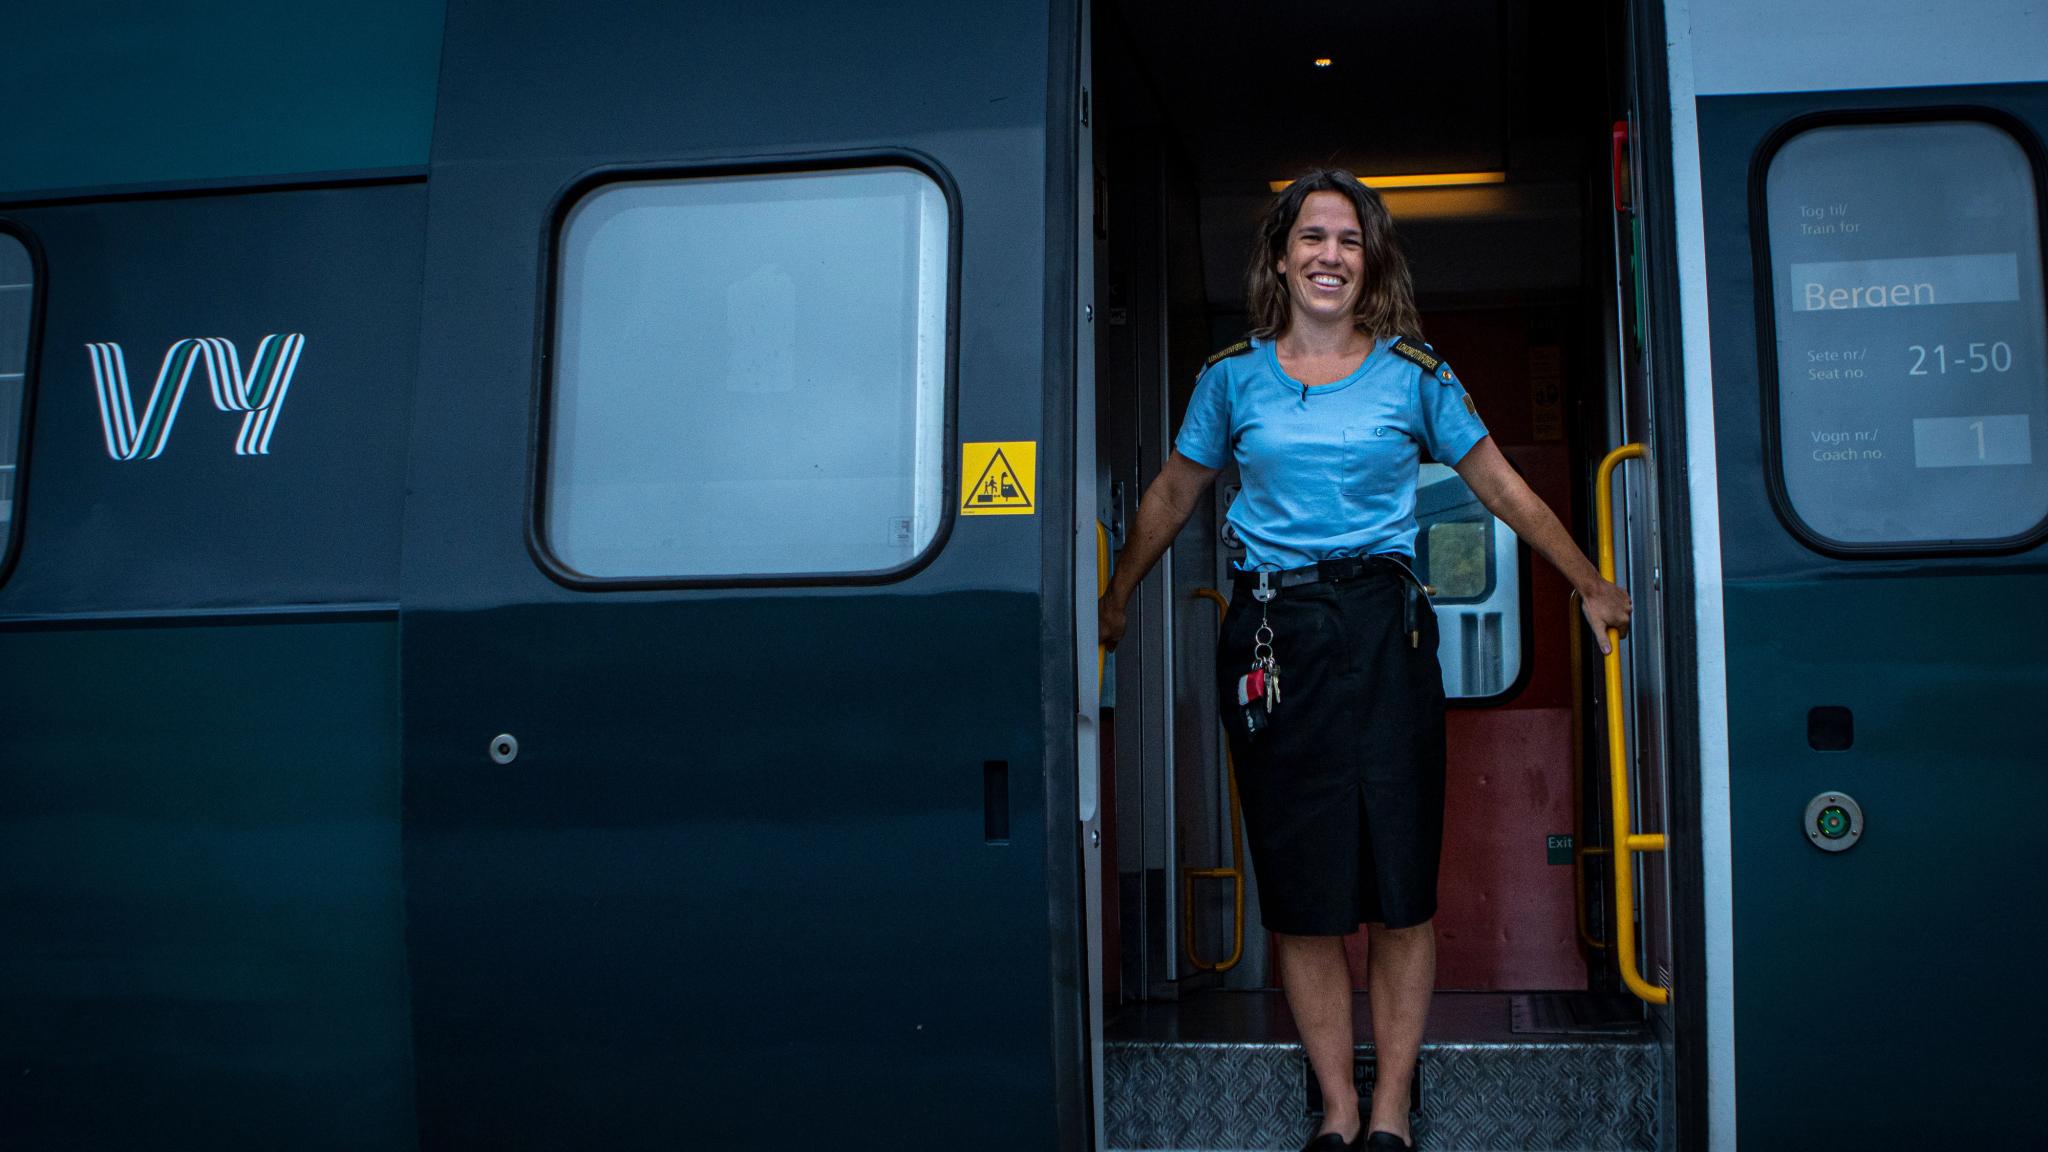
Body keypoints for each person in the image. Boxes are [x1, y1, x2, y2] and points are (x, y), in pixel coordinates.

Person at [1097, 170, 1633, 1152]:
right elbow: (1173, 495)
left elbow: (1502, 489)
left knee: (1397, 884)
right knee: (1301, 893)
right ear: (1279, 257)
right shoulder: (1230, 377)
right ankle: (1336, 1111)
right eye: (1311, 237)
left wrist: (1585, 581)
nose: (1328, 255)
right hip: (1273, 635)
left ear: (1369, 261)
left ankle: (1389, 1109)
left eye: (1347, 240)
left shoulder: (1415, 377)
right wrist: (1117, 594)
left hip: (1386, 630)